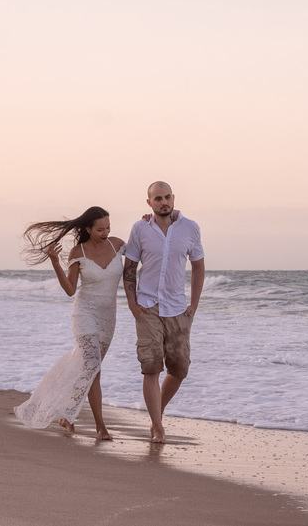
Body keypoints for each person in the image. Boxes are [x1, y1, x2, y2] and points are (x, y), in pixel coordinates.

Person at [14, 206, 124, 440]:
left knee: (88, 369)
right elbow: (70, 290)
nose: (106, 232)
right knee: (93, 367)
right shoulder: (78, 251)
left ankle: (66, 415)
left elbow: (144, 255)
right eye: (100, 229)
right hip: (84, 314)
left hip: (108, 317)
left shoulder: (118, 245)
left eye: (108, 227)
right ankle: (100, 426)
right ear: (88, 229)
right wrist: (55, 260)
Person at [122, 181, 205, 443]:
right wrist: (133, 304)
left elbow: (199, 267)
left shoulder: (190, 228)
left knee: (179, 369)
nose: (163, 202)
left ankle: (157, 412)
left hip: (178, 308)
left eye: (167, 197)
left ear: (173, 197)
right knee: (151, 367)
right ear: (149, 202)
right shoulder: (139, 229)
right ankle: (157, 426)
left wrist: (194, 304)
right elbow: (130, 268)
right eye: (157, 198)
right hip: (147, 306)